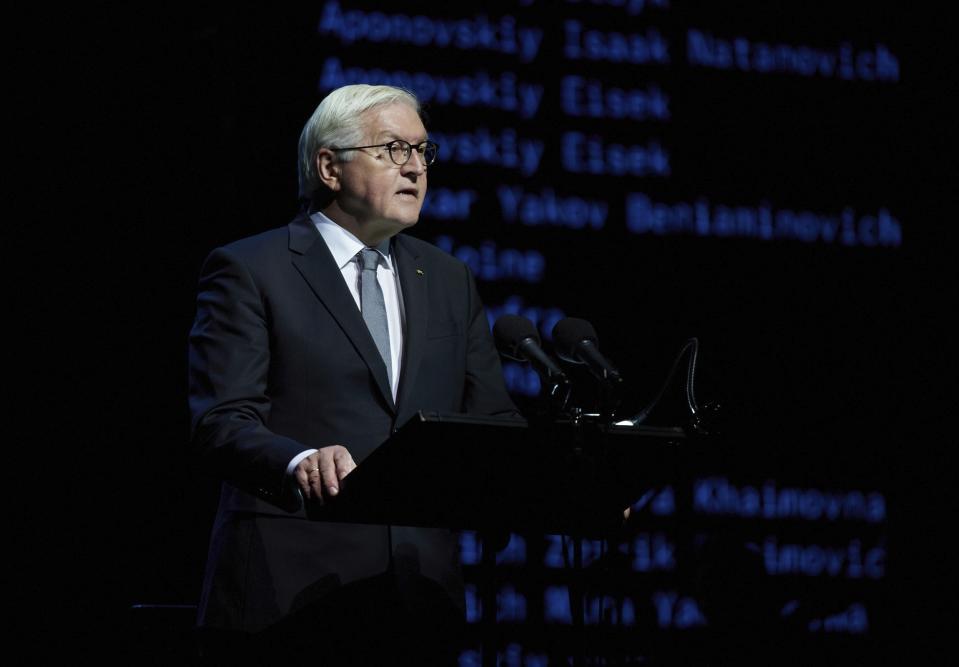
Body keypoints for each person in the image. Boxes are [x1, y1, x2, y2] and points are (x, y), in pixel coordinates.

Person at [188, 84, 519, 664]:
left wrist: (574, 479)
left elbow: (491, 421)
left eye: (423, 151)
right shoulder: (250, 269)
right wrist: (295, 460)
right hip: (289, 592)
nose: (415, 167)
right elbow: (221, 421)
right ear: (329, 167)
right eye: (394, 149)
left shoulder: (447, 279)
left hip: (418, 598)